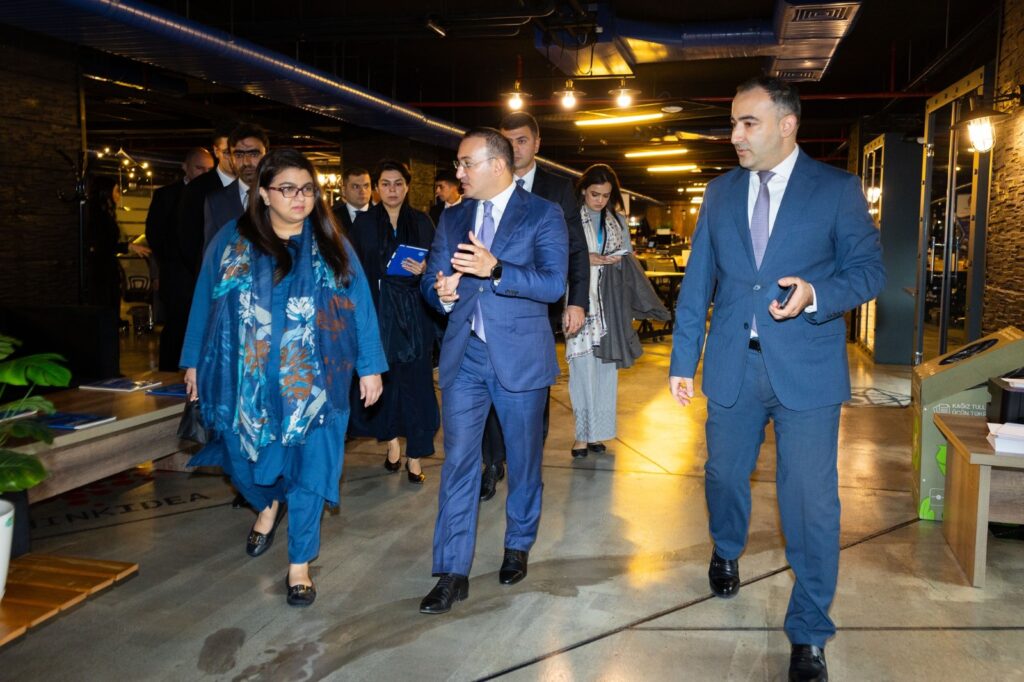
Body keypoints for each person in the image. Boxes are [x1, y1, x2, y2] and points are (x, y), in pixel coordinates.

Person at [669, 77, 885, 682]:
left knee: (810, 503)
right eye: (732, 124)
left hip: (807, 372)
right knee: (723, 476)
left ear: (787, 125)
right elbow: (698, 281)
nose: (734, 135)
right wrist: (683, 360)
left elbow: (870, 271)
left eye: (748, 123)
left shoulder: (836, 190)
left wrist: (817, 293)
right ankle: (726, 547)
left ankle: (809, 632)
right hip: (732, 366)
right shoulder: (719, 193)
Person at [180, 148, 387, 607]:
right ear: (264, 193)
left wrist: (370, 367)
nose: (300, 198)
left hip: (317, 385)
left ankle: (300, 565)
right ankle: (268, 504)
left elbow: (361, 306)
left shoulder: (331, 241)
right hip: (246, 385)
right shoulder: (231, 240)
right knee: (244, 462)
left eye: (307, 189)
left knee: (311, 471)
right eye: (288, 189)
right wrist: (193, 361)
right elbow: (203, 301)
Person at [417, 128, 567, 614]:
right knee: (459, 462)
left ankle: (517, 544)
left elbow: (553, 284)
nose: (458, 173)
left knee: (523, 460)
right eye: (458, 165)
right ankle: (451, 572)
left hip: (520, 357)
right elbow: (431, 278)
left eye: (466, 164)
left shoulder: (543, 213)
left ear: (497, 165)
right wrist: (440, 293)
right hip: (465, 355)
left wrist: (496, 268)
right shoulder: (453, 216)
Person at [474, 111, 589, 502]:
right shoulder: (484, 184)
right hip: (489, 307)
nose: (514, 148)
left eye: (521, 140)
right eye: (507, 141)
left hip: (538, 305)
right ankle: (492, 464)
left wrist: (577, 301)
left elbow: (576, 250)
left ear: (537, 143)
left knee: (530, 393)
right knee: (489, 389)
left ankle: (526, 465)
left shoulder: (557, 189)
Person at [347, 160, 439, 483]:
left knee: (417, 386)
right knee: (387, 386)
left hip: (415, 316)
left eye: (398, 183)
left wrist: (425, 268)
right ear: (376, 188)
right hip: (378, 315)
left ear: (407, 186)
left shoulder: (423, 221)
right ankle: (391, 444)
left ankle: (415, 456)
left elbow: (438, 263)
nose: (392, 190)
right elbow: (352, 272)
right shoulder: (363, 224)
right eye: (385, 184)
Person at [565, 164, 633, 458]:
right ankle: (582, 436)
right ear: (583, 190)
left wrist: (617, 259)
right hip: (579, 300)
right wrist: (584, 259)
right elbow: (557, 256)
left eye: (606, 195)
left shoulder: (617, 221)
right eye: (595, 194)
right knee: (581, 370)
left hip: (609, 303)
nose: (600, 200)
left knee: (606, 370)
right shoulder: (569, 219)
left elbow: (628, 257)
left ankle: (597, 434)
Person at [147, 147, 214, 371]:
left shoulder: (217, 193)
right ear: (185, 167)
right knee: (176, 327)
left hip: (206, 273)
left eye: (209, 169)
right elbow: (155, 235)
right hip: (178, 275)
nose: (205, 174)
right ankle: (168, 374)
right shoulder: (166, 195)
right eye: (199, 168)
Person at [203, 123, 269, 249]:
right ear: (231, 158)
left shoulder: (283, 194)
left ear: (266, 155)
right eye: (239, 155)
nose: (246, 162)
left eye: (254, 154)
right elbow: (212, 253)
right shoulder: (215, 201)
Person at [331, 167, 372, 233]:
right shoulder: (332, 218)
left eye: (366, 186)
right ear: (344, 191)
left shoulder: (383, 216)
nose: (362, 191)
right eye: (356, 187)